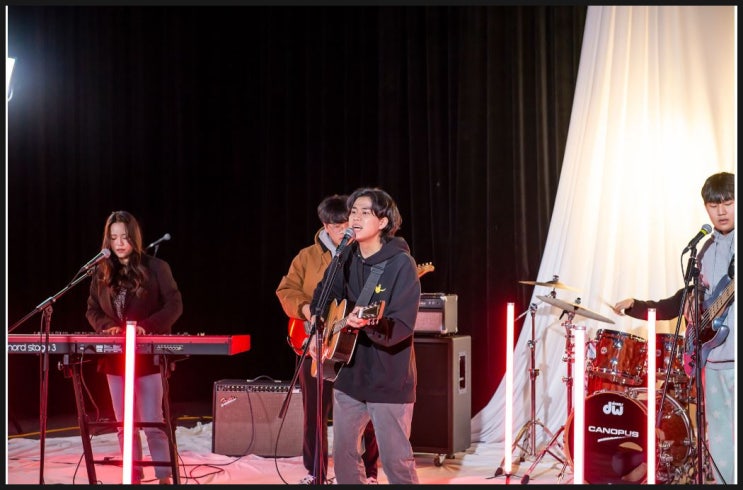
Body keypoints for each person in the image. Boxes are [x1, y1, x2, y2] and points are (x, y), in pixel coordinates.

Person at [613, 172, 735, 484]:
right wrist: (638, 305)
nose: (721, 211)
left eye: (729, 202)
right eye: (714, 205)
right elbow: (684, 300)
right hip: (713, 361)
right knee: (720, 436)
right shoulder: (705, 250)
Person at [309, 187, 421, 484]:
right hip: (348, 372)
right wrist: (317, 327)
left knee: (396, 460)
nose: (355, 218)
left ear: (383, 222)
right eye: (353, 212)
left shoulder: (401, 264)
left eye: (365, 212)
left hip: (388, 376)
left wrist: (369, 324)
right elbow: (323, 296)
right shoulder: (345, 256)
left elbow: (402, 326)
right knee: (344, 455)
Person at [276, 195, 380, 485]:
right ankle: (315, 472)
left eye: (349, 222)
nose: (345, 229)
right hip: (315, 343)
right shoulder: (307, 256)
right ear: (325, 226)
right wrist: (306, 311)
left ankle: (369, 472)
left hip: (355, 344)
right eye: (337, 226)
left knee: (366, 412)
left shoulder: (366, 253)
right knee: (315, 412)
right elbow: (286, 290)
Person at [86, 211, 183, 484]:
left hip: (148, 357)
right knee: (123, 424)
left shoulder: (157, 267)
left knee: (152, 421)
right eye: (113, 237)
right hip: (115, 358)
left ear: (134, 238)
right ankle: (133, 475)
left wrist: (147, 327)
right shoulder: (101, 271)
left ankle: (164, 477)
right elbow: (92, 309)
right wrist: (107, 327)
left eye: (125, 237)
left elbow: (174, 305)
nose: (119, 243)